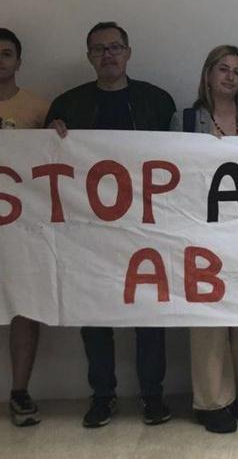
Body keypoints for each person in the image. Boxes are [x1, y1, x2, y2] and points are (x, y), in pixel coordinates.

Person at [44, 21, 175, 428]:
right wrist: (49, 137)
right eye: (99, 49)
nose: (108, 55)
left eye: (115, 47)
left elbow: (180, 161)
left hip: (146, 226)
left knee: (150, 315)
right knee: (94, 316)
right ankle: (103, 396)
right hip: (89, 231)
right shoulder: (67, 104)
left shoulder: (157, 100)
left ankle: (152, 396)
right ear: (89, 57)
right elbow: (47, 162)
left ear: (129, 52)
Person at [170, 45, 238, 433]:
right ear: (208, 74)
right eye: (223, 69)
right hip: (202, 231)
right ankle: (211, 401)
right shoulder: (186, 118)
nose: (230, 77)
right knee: (208, 315)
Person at [0, 27, 49, 427]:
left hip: (21, 228)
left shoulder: (37, 108)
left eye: (6, 53)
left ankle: (19, 391)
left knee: (23, 308)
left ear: (18, 60)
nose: (0, 60)